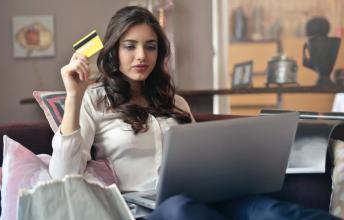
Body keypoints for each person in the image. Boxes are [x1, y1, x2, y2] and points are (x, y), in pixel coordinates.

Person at [51, 6, 339, 220]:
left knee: (270, 210)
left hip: (204, 199)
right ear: (114, 51)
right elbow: (63, 175)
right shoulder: (94, 101)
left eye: (150, 47)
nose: (142, 56)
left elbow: (200, 161)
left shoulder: (175, 102)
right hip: (148, 211)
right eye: (130, 47)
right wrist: (74, 97)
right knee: (180, 210)